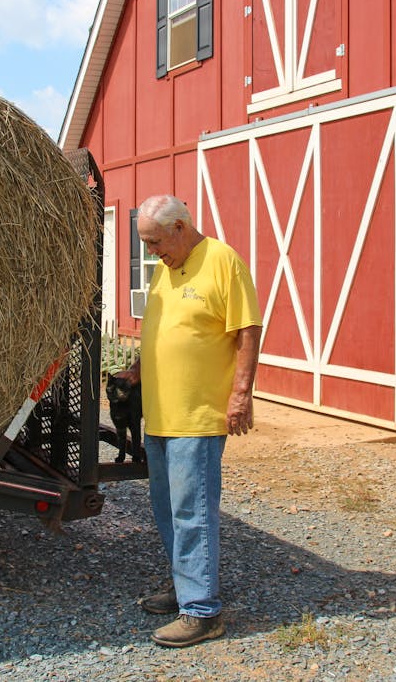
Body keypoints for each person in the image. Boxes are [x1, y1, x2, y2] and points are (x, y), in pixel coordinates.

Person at [119, 194, 262, 648]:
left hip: (197, 418)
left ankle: (201, 611)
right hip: (160, 415)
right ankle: (185, 587)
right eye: (146, 244)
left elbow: (247, 331)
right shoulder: (166, 268)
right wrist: (137, 371)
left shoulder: (223, 262)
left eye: (156, 242)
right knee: (165, 510)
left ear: (180, 227)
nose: (151, 252)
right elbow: (158, 330)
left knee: (192, 513)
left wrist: (241, 394)